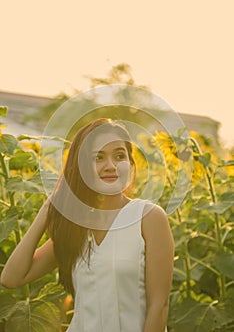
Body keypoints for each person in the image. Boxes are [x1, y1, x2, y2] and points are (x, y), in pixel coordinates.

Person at [0, 118, 174, 332]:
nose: (110, 166)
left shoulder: (149, 217)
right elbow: (11, 278)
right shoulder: (76, 227)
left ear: (130, 163)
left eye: (119, 156)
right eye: (98, 157)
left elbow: (159, 306)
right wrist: (47, 210)